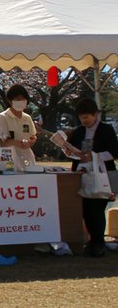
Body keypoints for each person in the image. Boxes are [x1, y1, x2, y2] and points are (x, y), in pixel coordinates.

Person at [63, 97, 118, 257]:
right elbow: (74, 153)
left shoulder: (106, 129)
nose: (84, 120)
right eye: (81, 117)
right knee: (86, 209)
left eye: (87, 117)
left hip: (103, 174)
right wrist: (68, 151)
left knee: (98, 209)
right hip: (82, 174)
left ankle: (98, 242)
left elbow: (114, 152)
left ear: (95, 114)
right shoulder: (78, 131)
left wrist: (94, 157)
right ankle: (92, 242)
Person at [0, 84, 39, 170]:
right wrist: (21, 144)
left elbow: (33, 135)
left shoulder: (27, 117)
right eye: (18, 99)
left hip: (27, 158)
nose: (21, 101)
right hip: (9, 159)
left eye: (24, 99)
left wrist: (32, 140)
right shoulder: (3, 117)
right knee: (11, 182)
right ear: (10, 101)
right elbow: (4, 141)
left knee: (30, 181)